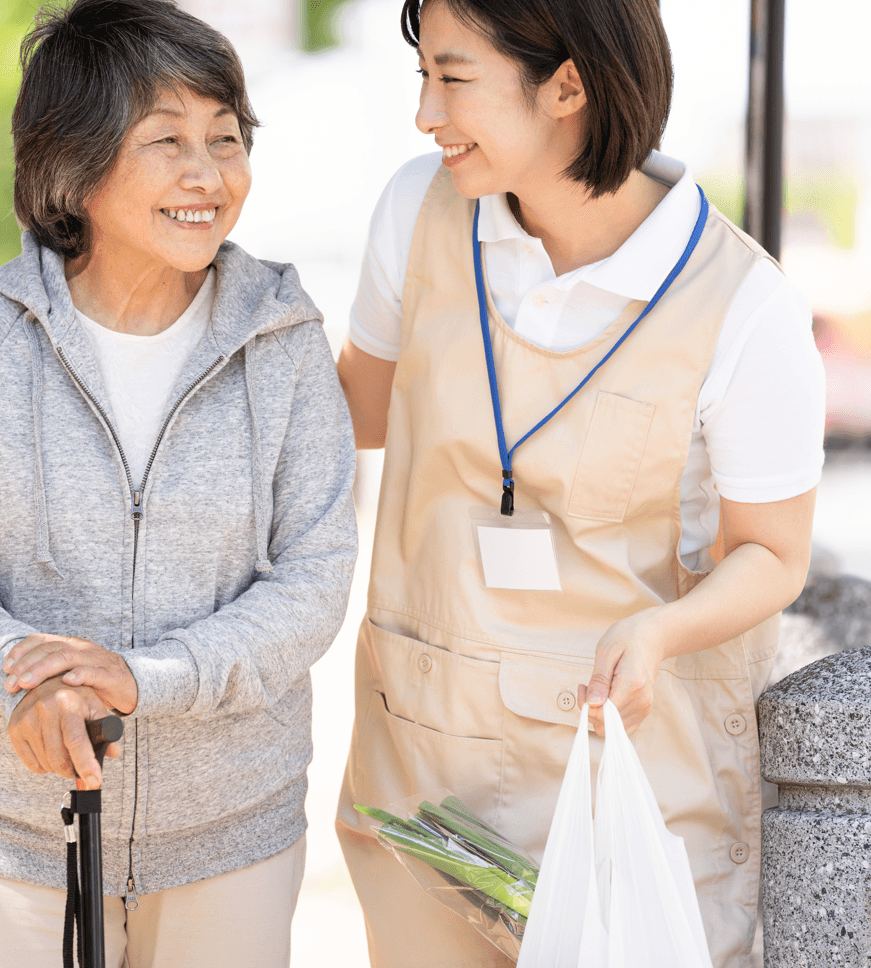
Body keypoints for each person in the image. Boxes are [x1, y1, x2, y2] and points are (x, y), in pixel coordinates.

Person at [334, 2, 824, 966]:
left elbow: (774, 552)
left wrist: (660, 630)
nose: (426, 113)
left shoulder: (744, 304)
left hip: (626, 788)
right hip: (426, 774)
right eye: (422, 75)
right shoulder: (418, 209)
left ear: (567, 84)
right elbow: (355, 412)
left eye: (454, 76)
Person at [0, 2, 358, 966]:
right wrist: (27, 682)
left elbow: (314, 580)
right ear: (79, 163)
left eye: (225, 140)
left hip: (232, 830)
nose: (208, 174)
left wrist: (145, 681)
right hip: (13, 841)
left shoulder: (286, 343)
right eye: (167, 141)